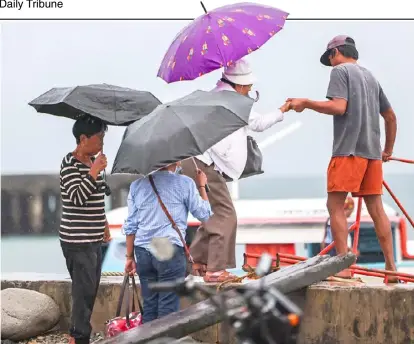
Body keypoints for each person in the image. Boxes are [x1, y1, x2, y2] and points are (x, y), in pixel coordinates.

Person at [287, 35, 398, 279]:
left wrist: (305, 102)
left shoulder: (340, 72)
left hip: (348, 151)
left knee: (334, 206)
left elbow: (339, 107)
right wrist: (387, 150)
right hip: (372, 154)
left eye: (330, 57)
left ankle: (344, 268)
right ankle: (391, 268)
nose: (331, 62)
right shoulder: (370, 77)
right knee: (377, 209)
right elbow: (390, 116)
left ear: (336, 52)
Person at [180, 57, 292, 283]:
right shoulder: (232, 101)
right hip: (204, 164)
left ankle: (199, 260)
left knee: (213, 214)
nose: (250, 89)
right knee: (225, 214)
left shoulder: (215, 96)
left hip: (194, 161)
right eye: (249, 85)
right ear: (239, 84)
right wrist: (284, 109)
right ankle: (215, 270)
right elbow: (258, 124)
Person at [123, 161, 212, 323]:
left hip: (143, 251)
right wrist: (202, 187)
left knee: (149, 305)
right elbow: (204, 214)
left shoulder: (137, 185)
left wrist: (129, 257)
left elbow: (131, 225)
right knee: (168, 307)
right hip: (167, 248)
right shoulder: (184, 183)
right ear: (175, 159)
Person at [59, 115, 111, 344]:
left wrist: (105, 225)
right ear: (83, 138)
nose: (101, 142)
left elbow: (96, 200)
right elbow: (77, 197)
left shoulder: (93, 164)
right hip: (76, 239)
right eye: (99, 137)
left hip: (93, 237)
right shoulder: (69, 163)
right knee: (83, 291)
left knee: (90, 290)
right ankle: (78, 338)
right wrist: (93, 172)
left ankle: (78, 335)